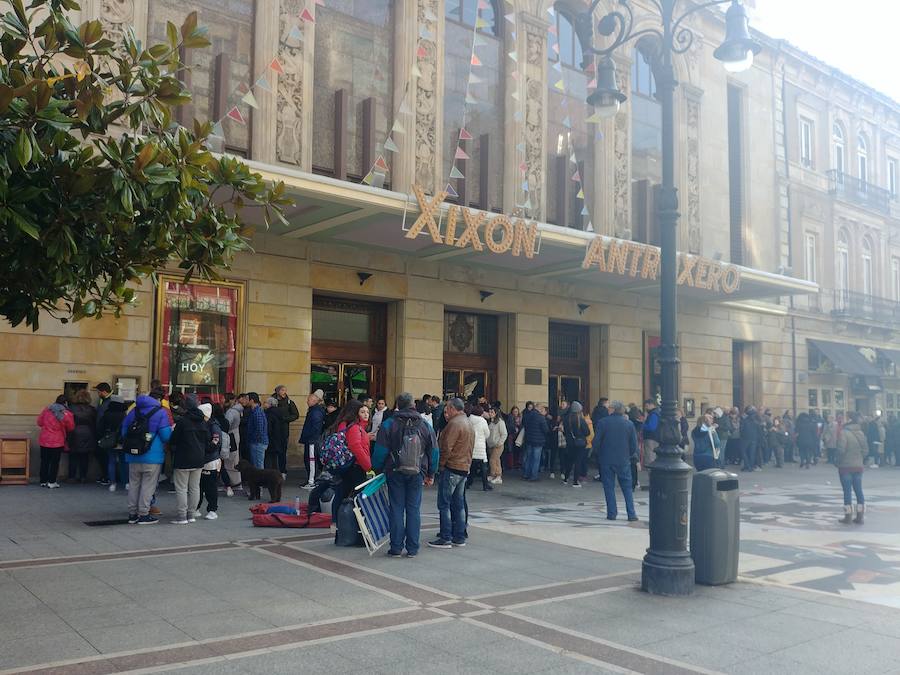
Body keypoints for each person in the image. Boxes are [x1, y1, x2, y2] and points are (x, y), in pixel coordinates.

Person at [374, 393, 438, 557]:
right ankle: (413, 548)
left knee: (396, 507)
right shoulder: (425, 425)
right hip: (417, 472)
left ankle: (396, 547)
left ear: (397, 405)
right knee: (413, 509)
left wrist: (377, 470)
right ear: (413, 405)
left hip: (394, 471)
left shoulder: (389, 424)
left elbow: (380, 451)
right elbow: (434, 451)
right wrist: (431, 472)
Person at [429, 398, 474, 549]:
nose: (446, 411)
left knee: (444, 503)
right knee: (458, 503)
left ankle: (446, 536)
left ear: (454, 408)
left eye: (448, 408)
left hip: (452, 467)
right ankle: (459, 537)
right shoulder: (468, 422)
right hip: (463, 467)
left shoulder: (454, 424)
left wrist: (440, 466)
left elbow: (446, 447)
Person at [120, 393, 172, 524]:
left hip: (133, 455)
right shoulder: (160, 413)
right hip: (152, 456)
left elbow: (124, 432)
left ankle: (132, 514)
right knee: (148, 486)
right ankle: (143, 514)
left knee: (134, 484)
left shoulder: (133, 411)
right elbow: (166, 436)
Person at [169, 396, 210, 525]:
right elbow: (207, 441)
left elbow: (174, 439)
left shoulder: (183, 421)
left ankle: (182, 516)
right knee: (195, 487)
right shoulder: (203, 421)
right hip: (198, 459)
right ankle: (191, 514)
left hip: (183, 458)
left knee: (181, 488)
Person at [595, 402, 639, 521]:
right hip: (623, 459)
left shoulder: (603, 422)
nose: (608, 409)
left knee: (609, 487)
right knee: (627, 488)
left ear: (613, 409)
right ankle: (631, 514)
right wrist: (627, 455)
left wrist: (599, 454)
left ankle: (612, 513)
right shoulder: (629, 424)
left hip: (606, 459)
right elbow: (634, 445)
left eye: (609, 408)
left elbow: (596, 442)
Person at [329, 400, 372, 523]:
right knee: (350, 493)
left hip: (352, 465)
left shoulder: (358, 427)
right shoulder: (353, 427)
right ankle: (345, 523)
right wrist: (368, 466)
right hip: (353, 466)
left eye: (367, 412)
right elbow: (355, 447)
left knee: (343, 492)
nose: (366, 414)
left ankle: (340, 522)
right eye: (362, 411)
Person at [37, 394, 75, 488]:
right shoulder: (65, 413)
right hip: (57, 441)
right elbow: (71, 427)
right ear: (65, 403)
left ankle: (43, 481)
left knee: (44, 461)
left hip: (44, 439)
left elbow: (39, 422)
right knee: (54, 462)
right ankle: (52, 482)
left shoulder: (47, 409)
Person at [198, 404, 228, 520]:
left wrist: (204, 449)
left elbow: (215, 443)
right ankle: (197, 507)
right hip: (202, 459)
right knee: (199, 486)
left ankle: (212, 509)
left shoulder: (213, 426)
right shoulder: (203, 424)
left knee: (210, 486)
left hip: (211, 460)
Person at [836, 412, 867, 524]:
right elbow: (865, 450)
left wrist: (838, 461)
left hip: (845, 467)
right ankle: (860, 516)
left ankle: (848, 516)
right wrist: (859, 459)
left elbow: (840, 449)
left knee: (847, 492)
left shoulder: (844, 433)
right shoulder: (861, 433)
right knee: (859, 491)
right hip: (858, 467)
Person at [67, 389, 96, 483]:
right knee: (84, 457)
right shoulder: (91, 409)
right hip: (88, 433)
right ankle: (83, 476)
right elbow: (95, 422)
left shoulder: (71, 408)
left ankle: (72, 476)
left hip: (74, 433)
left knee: (73, 456)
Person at [299, 389, 326, 488]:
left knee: (311, 460)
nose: (307, 401)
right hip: (312, 439)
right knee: (310, 460)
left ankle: (311, 481)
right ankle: (311, 479)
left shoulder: (315, 412)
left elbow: (315, 427)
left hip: (312, 440)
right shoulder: (315, 410)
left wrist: (310, 437)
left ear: (314, 401)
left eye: (309, 400)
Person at [100, 395, 127, 491]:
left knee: (111, 461)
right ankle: (126, 482)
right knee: (123, 461)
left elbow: (101, 427)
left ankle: (112, 483)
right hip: (121, 440)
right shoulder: (124, 414)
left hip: (110, 440)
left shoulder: (107, 414)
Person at [562, 402, 590, 487]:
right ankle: (575, 481)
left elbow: (565, 432)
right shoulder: (581, 420)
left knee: (569, 461)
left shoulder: (566, 419)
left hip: (570, 443)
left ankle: (566, 479)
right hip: (580, 444)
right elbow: (587, 432)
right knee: (578, 462)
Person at [521, 401, 548, 481]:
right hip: (538, 441)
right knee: (536, 459)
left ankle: (526, 474)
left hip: (529, 439)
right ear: (539, 408)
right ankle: (533, 476)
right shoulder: (541, 417)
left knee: (529, 457)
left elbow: (524, 425)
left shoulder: (527, 415)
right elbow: (546, 430)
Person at [93, 382, 114, 486]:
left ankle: (107, 477)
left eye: (98, 392)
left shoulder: (109, 402)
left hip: (105, 433)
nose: (97, 394)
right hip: (102, 432)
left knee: (105, 456)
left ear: (104, 392)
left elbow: (102, 418)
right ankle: (105, 475)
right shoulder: (104, 401)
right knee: (102, 455)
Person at [467, 405, 491, 491]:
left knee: (472, 466)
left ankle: (468, 483)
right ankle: (485, 485)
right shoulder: (483, 421)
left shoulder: (468, 420)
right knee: (483, 466)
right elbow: (487, 434)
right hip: (480, 446)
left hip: (471, 445)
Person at [223, 393, 243, 496]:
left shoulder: (231, 412)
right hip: (235, 435)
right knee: (234, 458)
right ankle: (236, 481)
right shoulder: (238, 411)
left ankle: (233, 481)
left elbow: (227, 424)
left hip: (231, 436)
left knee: (230, 459)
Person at [245, 392, 268, 470]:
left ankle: (262, 482)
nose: (245, 401)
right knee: (256, 465)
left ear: (252, 400)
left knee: (258, 466)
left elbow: (259, 429)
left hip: (258, 443)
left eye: (247, 399)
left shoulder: (257, 412)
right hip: (257, 442)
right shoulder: (255, 411)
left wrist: (253, 439)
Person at [486, 406, 508, 485]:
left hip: (497, 445)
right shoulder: (490, 422)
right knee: (496, 460)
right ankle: (493, 475)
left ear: (496, 413)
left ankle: (498, 476)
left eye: (492, 412)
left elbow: (504, 434)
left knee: (493, 459)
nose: (490, 413)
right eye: (490, 412)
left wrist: (500, 442)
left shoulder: (500, 422)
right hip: (491, 444)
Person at [264, 396, 285, 473]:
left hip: (271, 440)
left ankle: (269, 476)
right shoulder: (279, 413)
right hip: (277, 440)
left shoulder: (269, 414)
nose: (264, 404)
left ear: (270, 404)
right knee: (274, 460)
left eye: (265, 403)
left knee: (268, 460)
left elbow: (268, 429)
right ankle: (275, 476)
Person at [642, 399, 660, 468]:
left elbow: (652, 427)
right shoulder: (656, 412)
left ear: (652, 404)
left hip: (651, 438)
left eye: (647, 406)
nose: (646, 408)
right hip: (654, 438)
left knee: (650, 457)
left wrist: (643, 424)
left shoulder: (654, 414)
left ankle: (652, 474)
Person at [505, 405, 522, 470]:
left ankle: (516, 464)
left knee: (517, 450)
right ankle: (511, 465)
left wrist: (518, 426)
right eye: (514, 411)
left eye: (516, 411)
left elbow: (521, 426)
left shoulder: (520, 418)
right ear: (512, 412)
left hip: (518, 436)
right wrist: (514, 428)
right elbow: (509, 426)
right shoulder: (510, 417)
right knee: (510, 450)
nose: (515, 413)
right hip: (511, 436)